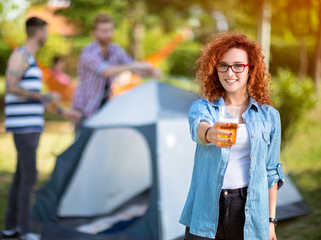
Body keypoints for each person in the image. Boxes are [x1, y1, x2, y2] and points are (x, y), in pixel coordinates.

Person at [179, 34, 284, 240]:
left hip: (248, 208)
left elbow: (271, 173)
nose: (230, 73)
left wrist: (270, 222)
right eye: (223, 66)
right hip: (206, 207)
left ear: (250, 68)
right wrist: (211, 134)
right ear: (214, 68)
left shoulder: (270, 115)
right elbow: (199, 128)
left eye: (238, 66)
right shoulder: (204, 107)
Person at [2, 17, 80, 240]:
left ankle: (10, 228)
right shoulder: (21, 55)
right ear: (39, 32)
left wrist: (65, 112)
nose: (47, 35)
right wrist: (44, 95)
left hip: (31, 125)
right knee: (29, 176)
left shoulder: (31, 60)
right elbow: (10, 86)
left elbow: (41, 100)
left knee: (21, 176)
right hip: (23, 127)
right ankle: (25, 231)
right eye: (46, 31)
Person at [72, 13, 160, 138]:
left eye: (109, 30)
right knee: (81, 148)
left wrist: (151, 71)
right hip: (85, 109)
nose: (107, 34)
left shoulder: (115, 49)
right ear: (94, 33)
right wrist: (136, 66)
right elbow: (107, 71)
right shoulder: (88, 52)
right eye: (103, 31)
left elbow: (134, 68)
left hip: (105, 108)